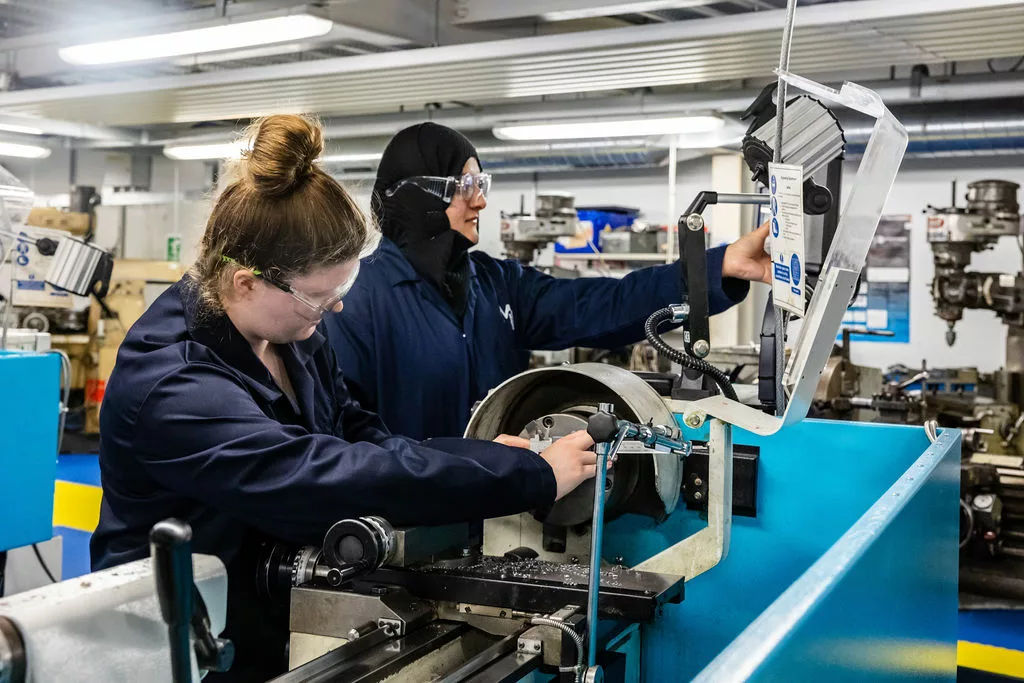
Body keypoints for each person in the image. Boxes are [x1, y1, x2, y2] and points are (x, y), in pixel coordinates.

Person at [89, 115, 599, 682]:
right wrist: (527, 477)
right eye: (318, 297)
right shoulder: (172, 386)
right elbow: (324, 474)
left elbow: (358, 433)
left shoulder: (292, 337)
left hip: (264, 621)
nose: (334, 310)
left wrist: (485, 459)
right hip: (172, 642)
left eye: (343, 291)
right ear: (245, 281)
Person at [325, 122, 772, 441]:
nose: (481, 199)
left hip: (499, 518)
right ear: (422, 194)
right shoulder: (354, 302)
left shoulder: (497, 284)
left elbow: (606, 304)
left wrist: (715, 268)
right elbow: (348, 437)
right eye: (466, 184)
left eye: (482, 182)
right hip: (406, 533)